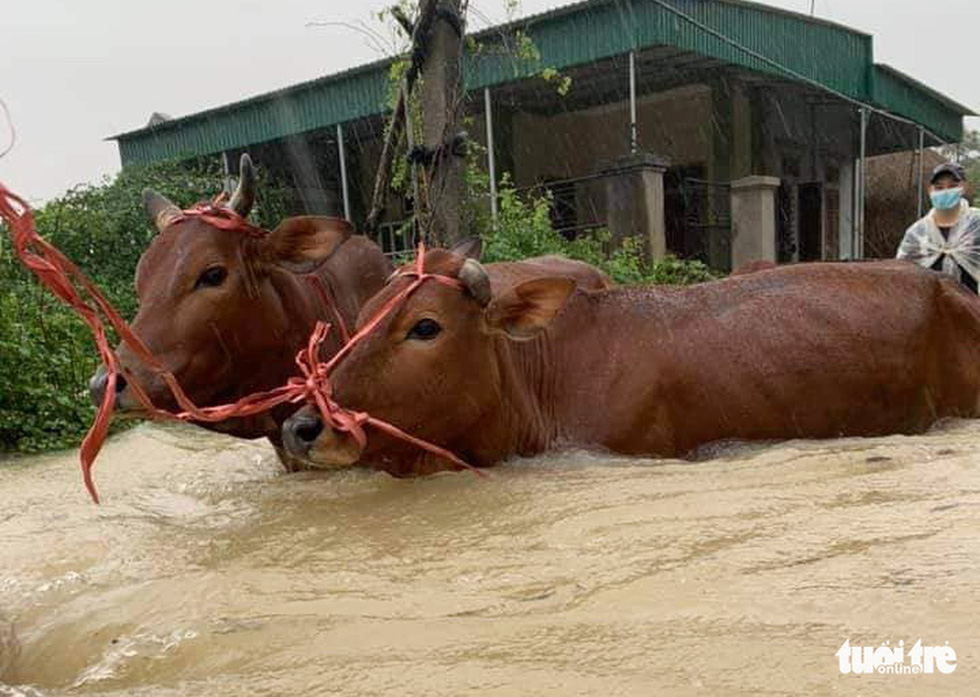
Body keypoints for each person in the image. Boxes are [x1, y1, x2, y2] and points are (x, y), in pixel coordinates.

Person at [897, 162, 980, 294]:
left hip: (972, 310)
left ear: (963, 187)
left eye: (952, 186)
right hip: (931, 311)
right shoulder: (917, 234)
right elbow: (903, 276)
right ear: (930, 190)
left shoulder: (976, 224)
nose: (946, 191)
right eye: (939, 188)